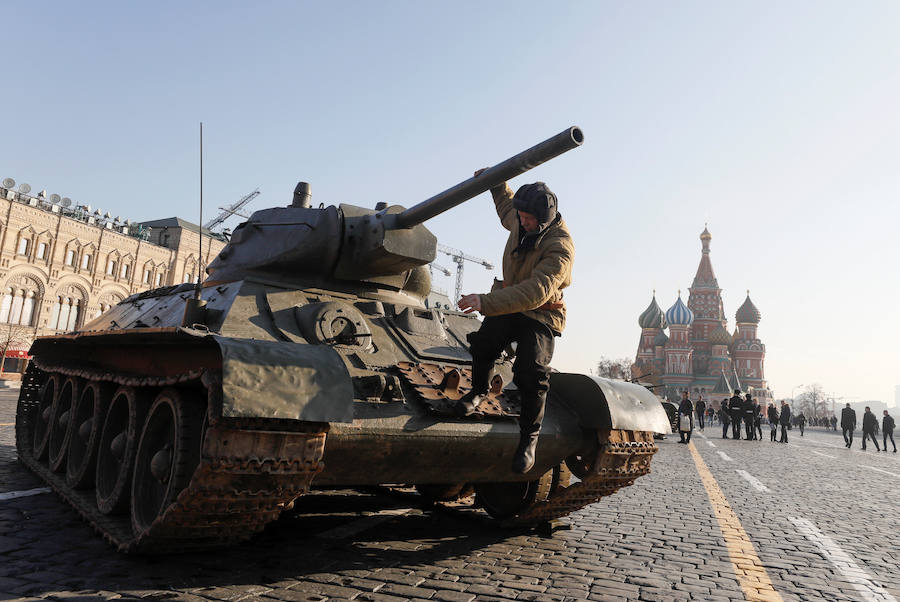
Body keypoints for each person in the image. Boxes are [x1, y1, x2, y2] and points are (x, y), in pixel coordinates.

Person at [454, 174, 574, 475]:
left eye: (528, 219)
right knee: (483, 343)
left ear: (543, 220)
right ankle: (479, 390)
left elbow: (536, 292)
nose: (521, 222)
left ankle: (529, 439)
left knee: (531, 372)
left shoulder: (561, 247)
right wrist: (494, 180)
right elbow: (506, 206)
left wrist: (486, 302)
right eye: (520, 217)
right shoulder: (521, 218)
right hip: (508, 302)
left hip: (541, 311)